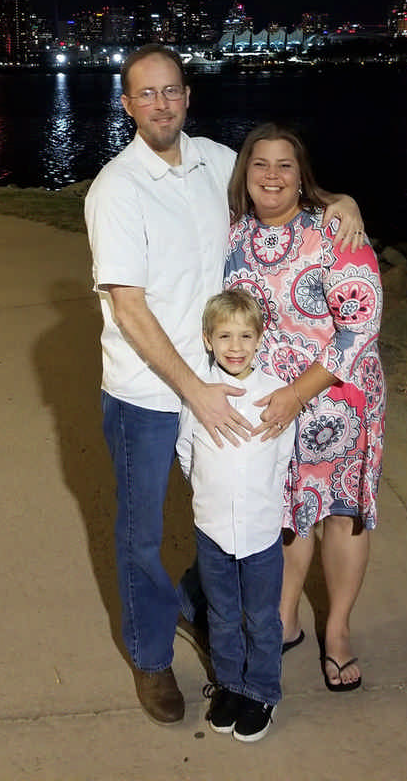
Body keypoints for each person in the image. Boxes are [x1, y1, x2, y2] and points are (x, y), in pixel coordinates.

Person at [84, 45, 364, 724]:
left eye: (170, 91)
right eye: (146, 94)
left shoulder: (214, 161)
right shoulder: (116, 189)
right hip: (150, 395)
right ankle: (152, 657)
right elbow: (129, 308)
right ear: (127, 105)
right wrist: (194, 389)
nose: (161, 104)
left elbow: (278, 182)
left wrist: (340, 200)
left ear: (187, 96)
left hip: (226, 383)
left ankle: (193, 602)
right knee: (141, 534)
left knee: (230, 517)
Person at [224, 122, 384, 693]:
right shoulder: (233, 235)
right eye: (260, 163)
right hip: (272, 404)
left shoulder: (334, 230)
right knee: (288, 512)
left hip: (338, 401)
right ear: (244, 173)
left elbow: (360, 325)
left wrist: (299, 393)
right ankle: (286, 619)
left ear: (301, 176)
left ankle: (337, 631)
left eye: (284, 165)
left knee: (340, 513)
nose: (271, 175)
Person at [176, 290, 296, 743]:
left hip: (261, 533)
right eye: (224, 336)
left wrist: (260, 501)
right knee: (222, 614)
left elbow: (282, 457)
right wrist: (210, 495)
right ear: (208, 340)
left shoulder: (275, 396)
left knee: (261, 618)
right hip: (212, 532)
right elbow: (186, 452)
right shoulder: (198, 397)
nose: (235, 346)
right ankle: (230, 684)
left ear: (260, 339)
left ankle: (261, 691)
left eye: (246, 335)